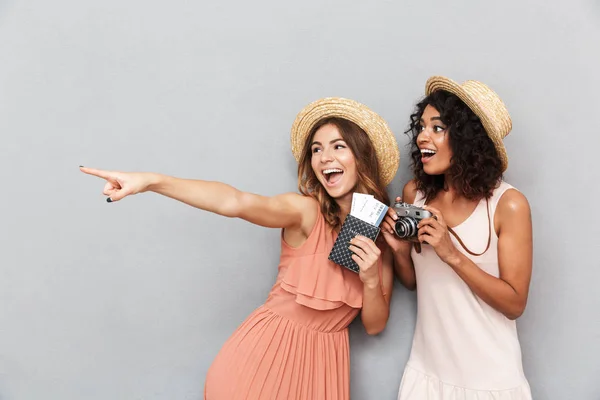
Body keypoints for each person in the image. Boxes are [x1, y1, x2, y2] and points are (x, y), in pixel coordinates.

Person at [80, 97, 399, 400]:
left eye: (338, 146)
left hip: (323, 370)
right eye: (316, 150)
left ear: (361, 156)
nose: (324, 157)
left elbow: (374, 326)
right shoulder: (305, 212)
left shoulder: (379, 235)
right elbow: (234, 201)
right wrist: (151, 182)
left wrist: (371, 279)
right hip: (260, 362)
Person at [381, 77, 533, 399]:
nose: (422, 136)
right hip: (426, 373)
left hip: (488, 380)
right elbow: (414, 282)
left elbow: (515, 303)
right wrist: (398, 251)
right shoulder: (415, 194)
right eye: (422, 127)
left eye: (437, 128)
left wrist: (451, 254)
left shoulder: (508, 205)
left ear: (469, 140)